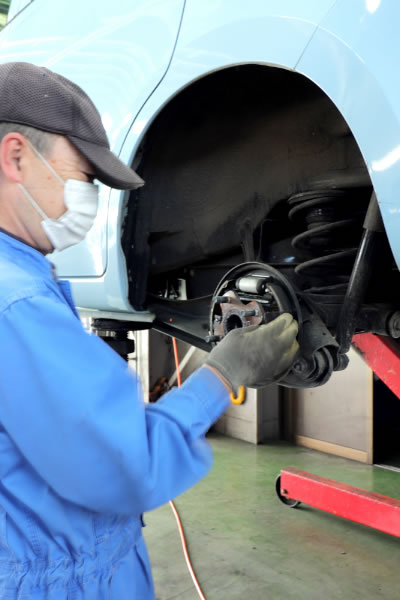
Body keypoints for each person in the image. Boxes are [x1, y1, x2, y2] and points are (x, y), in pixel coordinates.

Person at [0, 62, 299, 599]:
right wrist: (221, 374)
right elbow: (123, 465)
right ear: (16, 156)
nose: (88, 198)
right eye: (82, 177)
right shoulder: (16, 305)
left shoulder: (17, 281)